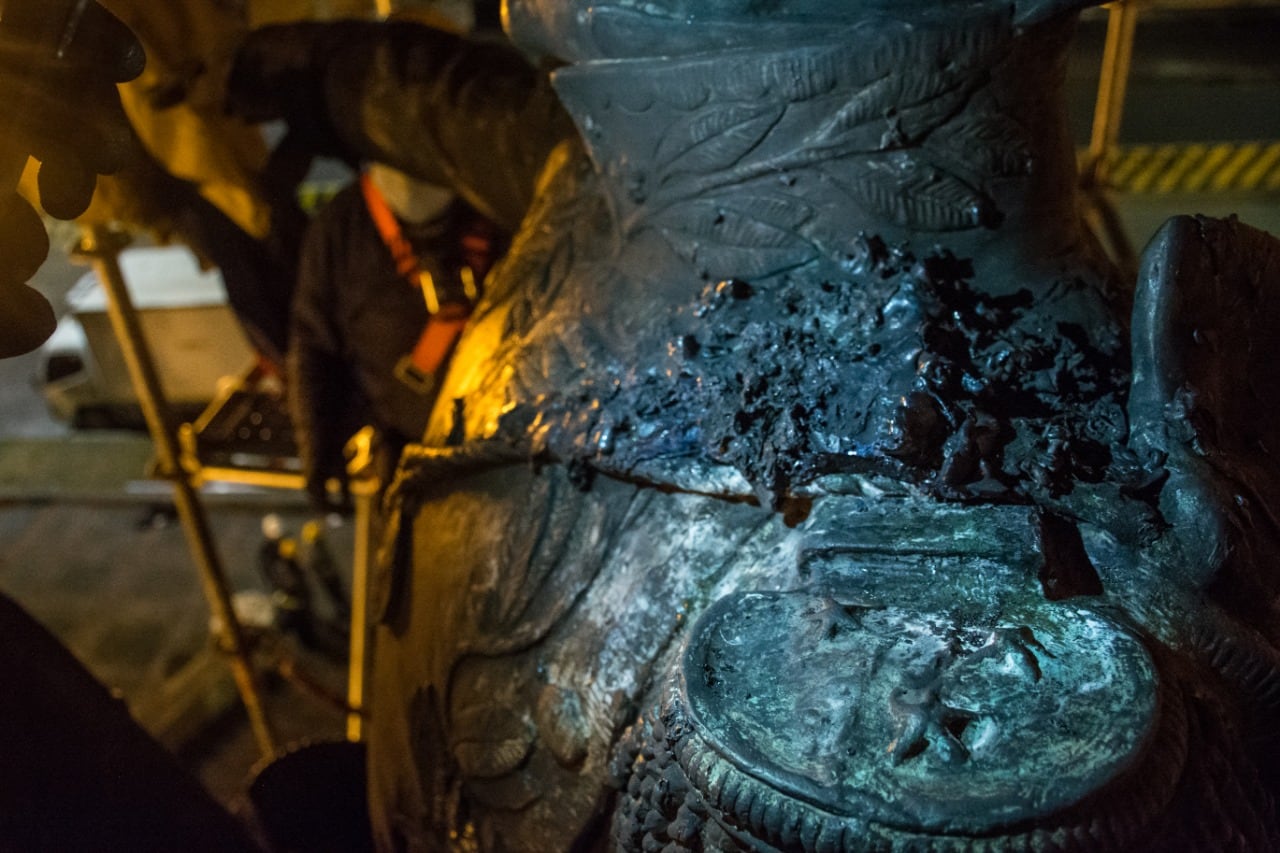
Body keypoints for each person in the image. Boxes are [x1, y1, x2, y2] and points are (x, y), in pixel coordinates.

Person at [288, 162, 503, 513]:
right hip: (411, 455)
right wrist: (319, 447)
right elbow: (314, 346)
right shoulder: (341, 227)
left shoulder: (498, 195)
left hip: (505, 445)